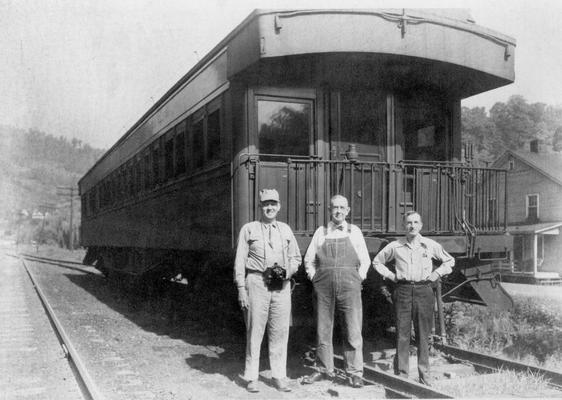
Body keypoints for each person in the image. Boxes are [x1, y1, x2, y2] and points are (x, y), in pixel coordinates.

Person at [372, 210, 454, 385]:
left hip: (424, 290)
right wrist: (391, 276)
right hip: (402, 290)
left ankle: (425, 374)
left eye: (416, 222)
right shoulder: (395, 246)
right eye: (409, 222)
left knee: (423, 334)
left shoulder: (430, 245)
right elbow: (377, 262)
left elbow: (449, 261)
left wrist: (436, 273)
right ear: (404, 226)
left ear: (421, 225)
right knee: (403, 333)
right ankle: (402, 374)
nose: (412, 226)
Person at [233, 189, 301, 393]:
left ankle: (279, 375)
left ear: (279, 206)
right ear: (260, 207)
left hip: (280, 284)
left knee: (280, 330)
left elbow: (295, 258)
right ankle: (251, 376)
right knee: (255, 330)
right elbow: (239, 261)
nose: (269, 208)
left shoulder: (285, 230)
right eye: (265, 204)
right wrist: (241, 288)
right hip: (256, 281)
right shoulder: (249, 229)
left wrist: (287, 271)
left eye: (273, 204)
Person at [302, 195, 370, 388]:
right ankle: (324, 370)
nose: (338, 211)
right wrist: (314, 278)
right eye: (335, 208)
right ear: (329, 210)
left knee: (353, 328)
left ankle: (355, 373)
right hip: (323, 285)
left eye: (342, 208)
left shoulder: (354, 231)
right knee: (323, 328)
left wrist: (359, 277)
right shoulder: (321, 232)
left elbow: (365, 260)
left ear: (348, 211)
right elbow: (309, 260)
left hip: (350, 285)